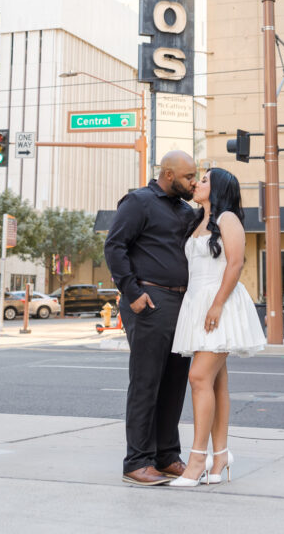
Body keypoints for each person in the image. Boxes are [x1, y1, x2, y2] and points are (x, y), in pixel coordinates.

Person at [168, 167, 266, 488]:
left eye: (205, 179)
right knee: (215, 382)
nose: (198, 183)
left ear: (219, 187)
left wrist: (218, 304)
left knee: (197, 377)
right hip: (197, 303)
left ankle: (197, 459)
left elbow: (236, 263)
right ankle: (220, 455)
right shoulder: (199, 221)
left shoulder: (228, 219)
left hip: (219, 304)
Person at [104, 150, 198, 486]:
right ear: (169, 175)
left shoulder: (186, 211)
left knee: (174, 384)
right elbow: (114, 247)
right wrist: (133, 295)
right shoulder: (139, 201)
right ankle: (137, 461)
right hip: (150, 300)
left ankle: (167, 456)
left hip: (182, 303)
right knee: (146, 383)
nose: (194, 182)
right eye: (189, 177)